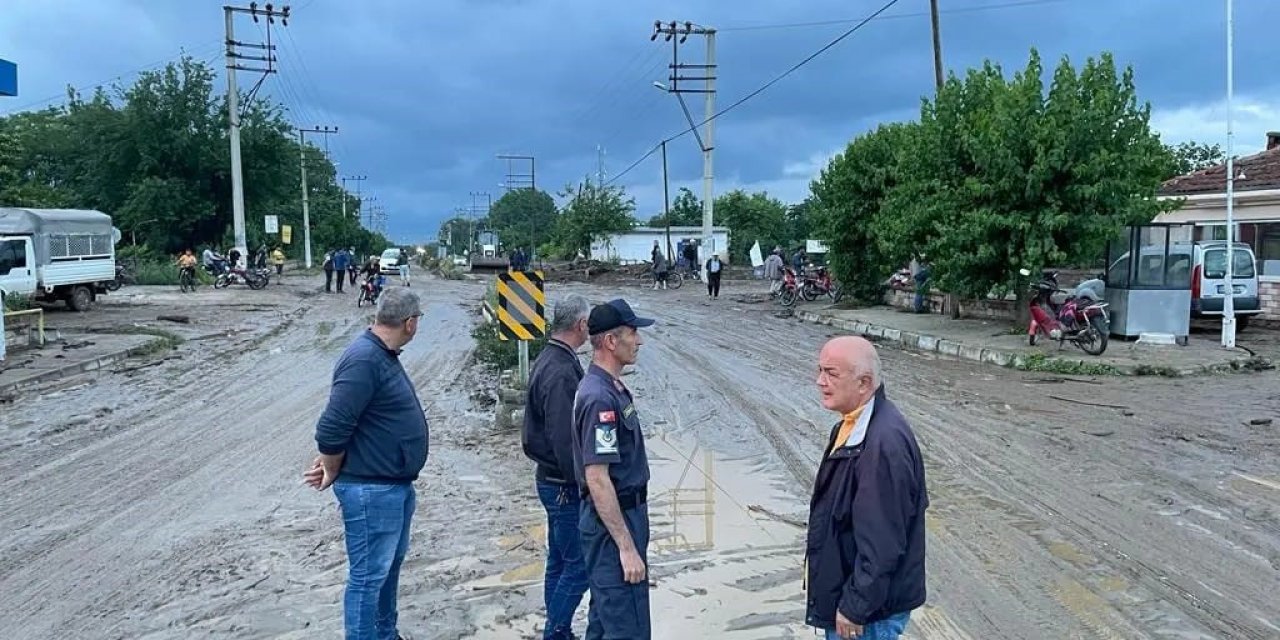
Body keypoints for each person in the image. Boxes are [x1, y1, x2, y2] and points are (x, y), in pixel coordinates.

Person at [306, 288, 428, 640]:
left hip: (391, 488)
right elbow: (330, 430)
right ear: (410, 323)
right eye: (417, 319)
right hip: (371, 491)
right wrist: (331, 466)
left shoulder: (382, 354)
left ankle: (386, 634)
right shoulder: (363, 359)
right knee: (368, 577)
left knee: (386, 571)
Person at [805, 336, 928, 640]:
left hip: (870, 613)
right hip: (858, 598)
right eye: (820, 370)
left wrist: (856, 607)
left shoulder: (883, 444)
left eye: (831, 373)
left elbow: (882, 542)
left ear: (864, 383)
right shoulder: (852, 426)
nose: (820, 382)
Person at [573, 299, 655, 640]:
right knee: (627, 626)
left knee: (606, 620)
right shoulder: (600, 398)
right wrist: (626, 546)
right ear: (610, 341)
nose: (639, 341)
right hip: (613, 522)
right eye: (633, 333)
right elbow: (598, 478)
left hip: (620, 516)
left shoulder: (610, 388)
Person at [522, 295, 592, 640]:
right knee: (579, 567)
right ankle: (556, 631)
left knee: (560, 562)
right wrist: (585, 484)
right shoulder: (562, 370)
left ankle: (558, 630)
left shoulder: (549, 357)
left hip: (550, 480)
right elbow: (565, 439)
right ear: (581, 325)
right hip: (563, 484)